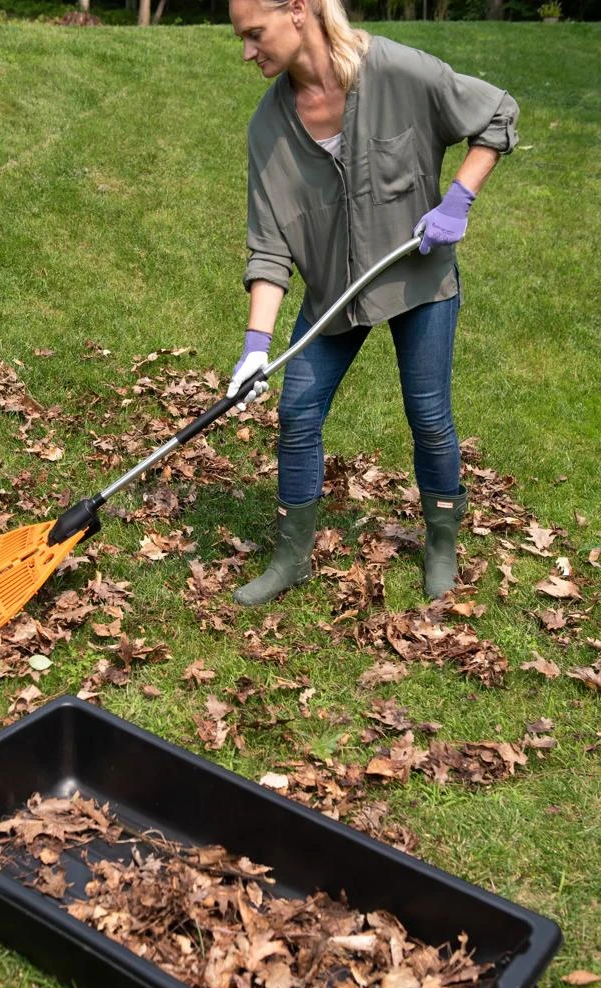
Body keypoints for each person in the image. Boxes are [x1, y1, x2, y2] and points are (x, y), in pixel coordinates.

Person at [226, 0, 518, 605]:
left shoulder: (394, 71)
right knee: (297, 413)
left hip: (417, 279)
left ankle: (441, 544)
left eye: (254, 34)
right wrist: (256, 346)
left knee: (428, 415)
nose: (248, 52)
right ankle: (292, 557)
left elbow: (497, 112)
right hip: (335, 294)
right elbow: (270, 247)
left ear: (298, 11)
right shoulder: (268, 129)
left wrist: (457, 200)